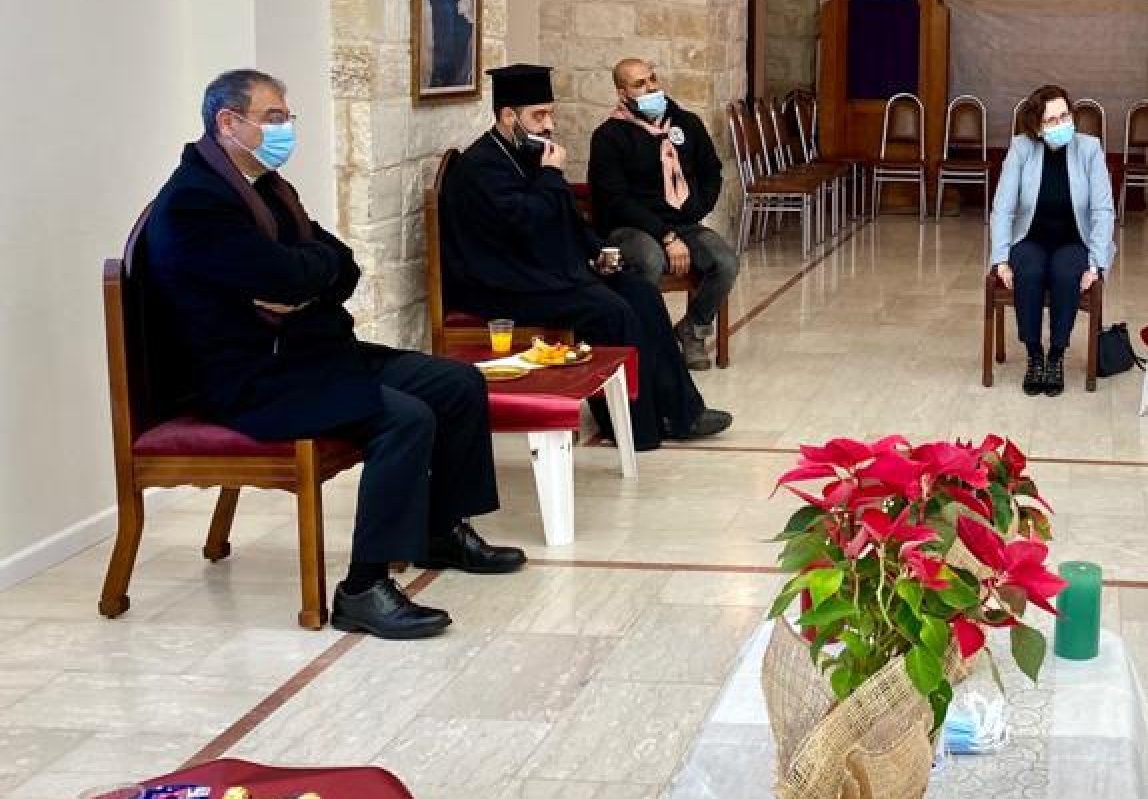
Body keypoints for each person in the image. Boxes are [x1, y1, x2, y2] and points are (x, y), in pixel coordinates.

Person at [146, 69, 523, 641]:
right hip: (254, 377)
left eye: (287, 117)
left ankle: (439, 532)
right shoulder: (196, 201)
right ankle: (363, 588)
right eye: (273, 117)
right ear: (228, 122)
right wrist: (306, 278)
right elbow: (285, 276)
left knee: (456, 384)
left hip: (312, 351)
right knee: (404, 419)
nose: (285, 128)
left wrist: (308, 281)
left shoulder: (266, 187)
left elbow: (341, 264)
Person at [438, 63, 732, 447]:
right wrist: (550, 176)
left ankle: (682, 411)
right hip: (502, 284)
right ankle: (635, 426)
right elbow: (526, 223)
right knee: (612, 310)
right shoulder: (482, 166)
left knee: (641, 292)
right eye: (539, 116)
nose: (549, 125)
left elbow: (566, 219)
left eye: (550, 114)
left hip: (539, 270)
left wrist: (598, 253)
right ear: (508, 117)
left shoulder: (526, 154)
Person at [586, 57, 736, 371]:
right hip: (631, 227)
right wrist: (666, 236)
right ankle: (649, 342)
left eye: (652, 79)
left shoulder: (686, 123)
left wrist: (698, 207)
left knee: (724, 262)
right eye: (640, 84)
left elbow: (711, 170)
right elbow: (615, 200)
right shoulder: (609, 136)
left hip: (683, 224)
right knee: (649, 259)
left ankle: (693, 329)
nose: (651, 87)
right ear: (622, 93)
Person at [989, 84, 1115, 396]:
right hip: (1030, 238)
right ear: (1037, 126)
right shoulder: (1021, 148)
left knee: (1065, 272)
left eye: (1065, 116)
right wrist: (1000, 260)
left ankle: (1056, 355)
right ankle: (1034, 355)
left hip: (1074, 240)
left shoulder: (1089, 149)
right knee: (1029, 270)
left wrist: (1096, 265)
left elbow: (1103, 210)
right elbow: (1003, 208)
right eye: (1052, 120)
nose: (1061, 124)